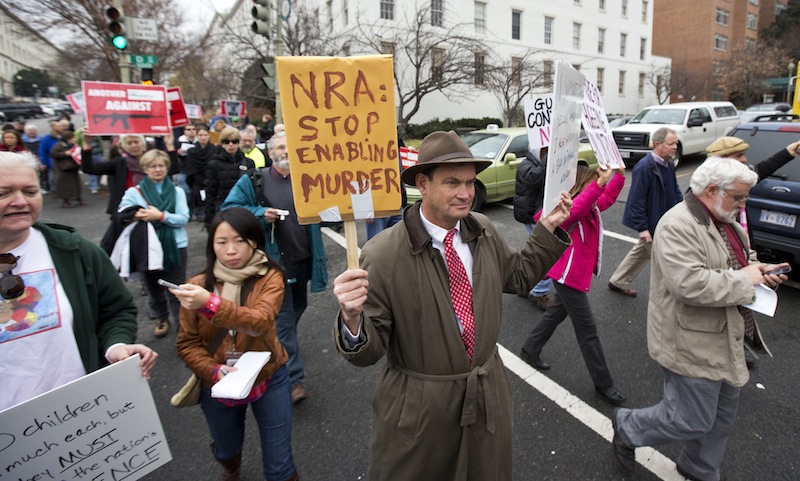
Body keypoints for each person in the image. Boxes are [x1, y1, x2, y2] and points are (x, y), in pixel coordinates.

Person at [332, 130, 572, 481]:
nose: (466, 193)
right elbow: (367, 353)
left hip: (486, 398)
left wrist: (546, 230)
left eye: (470, 182)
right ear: (423, 184)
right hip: (420, 413)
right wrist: (351, 320)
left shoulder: (483, 230)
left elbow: (519, 277)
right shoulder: (382, 254)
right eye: (452, 183)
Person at [611, 157, 789, 481]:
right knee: (690, 418)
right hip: (689, 341)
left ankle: (700, 467)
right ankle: (628, 426)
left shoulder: (726, 219)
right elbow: (690, 285)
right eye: (738, 197)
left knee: (721, 417)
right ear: (711, 190)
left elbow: (739, 260)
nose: (743, 204)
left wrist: (759, 271)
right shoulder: (677, 225)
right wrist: (747, 280)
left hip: (726, 336)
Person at [0, 151, 157, 412]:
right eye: (3, 193)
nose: (20, 202)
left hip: (79, 418)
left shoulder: (74, 250)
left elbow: (116, 310)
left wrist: (116, 346)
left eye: (30, 191)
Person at [174, 207, 298, 481]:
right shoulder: (196, 286)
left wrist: (209, 304)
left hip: (269, 374)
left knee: (280, 465)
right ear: (212, 245)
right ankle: (231, 466)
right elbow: (187, 344)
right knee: (226, 448)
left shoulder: (270, 276)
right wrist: (214, 371)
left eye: (239, 240)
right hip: (218, 383)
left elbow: (260, 321)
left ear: (254, 241)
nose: (231, 250)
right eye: (222, 242)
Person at [223, 130, 328, 404]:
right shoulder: (254, 180)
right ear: (270, 153)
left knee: (297, 309)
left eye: (289, 147)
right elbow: (230, 210)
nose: (285, 151)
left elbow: (328, 209)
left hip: (302, 260)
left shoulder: (308, 179)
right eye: (280, 147)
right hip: (273, 266)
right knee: (282, 320)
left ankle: (268, 337)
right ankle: (294, 380)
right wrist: (260, 214)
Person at [520, 165, 628, 405]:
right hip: (566, 276)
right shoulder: (564, 208)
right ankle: (604, 384)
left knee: (557, 313)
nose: (596, 188)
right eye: (592, 184)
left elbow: (607, 198)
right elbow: (575, 212)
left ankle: (530, 347)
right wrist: (599, 184)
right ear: (582, 185)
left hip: (571, 274)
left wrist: (618, 175)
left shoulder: (588, 203)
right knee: (588, 330)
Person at [117, 149, 190, 338]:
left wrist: (160, 216)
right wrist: (138, 214)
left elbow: (183, 218)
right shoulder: (134, 192)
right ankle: (161, 317)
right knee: (153, 287)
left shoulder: (177, 191)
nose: (157, 169)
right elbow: (123, 213)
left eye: (161, 165)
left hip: (175, 245)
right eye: (152, 166)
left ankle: (182, 328)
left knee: (177, 289)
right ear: (145, 169)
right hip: (147, 247)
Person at [608, 127, 681, 297]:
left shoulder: (669, 164)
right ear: (657, 144)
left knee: (641, 252)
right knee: (666, 258)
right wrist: (643, 229)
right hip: (653, 223)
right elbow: (636, 200)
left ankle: (618, 281)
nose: (675, 147)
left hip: (665, 221)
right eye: (671, 143)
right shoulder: (644, 167)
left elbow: (675, 190)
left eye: (676, 143)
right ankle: (671, 293)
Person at [82, 133, 178, 216]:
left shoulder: (152, 160)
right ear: (124, 146)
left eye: (136, 142)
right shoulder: (119, 163)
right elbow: (90, 169)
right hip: (126, 209)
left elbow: (173, 169)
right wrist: (87, 145)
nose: (133, 146)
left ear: (143, 143)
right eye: (129, 143)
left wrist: (170, 146)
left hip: (153, 206)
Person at [513, 147, 554, 310]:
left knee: (535, 252)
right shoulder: (526, 165)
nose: (548, 153)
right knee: (546, 254)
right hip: (531, 215)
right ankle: (538, 292)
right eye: (546, 150)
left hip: (542, 214)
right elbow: (535, 178)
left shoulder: (542, 163)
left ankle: (526, 285)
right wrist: (550, 158)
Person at [205, 127, 254, 229]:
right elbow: (210, 193)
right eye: (226, 142)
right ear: (222, 143)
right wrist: (209, 219)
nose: (231, 145)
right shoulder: (214, 164)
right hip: (223, 207)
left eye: (234, 141)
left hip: (243, 207)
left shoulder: (248, 162)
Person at [185, 126, 215, 221]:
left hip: (211, 178)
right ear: (197, 136)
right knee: (196, 191)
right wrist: (201, 180)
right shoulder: (192, 152)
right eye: (200, 135)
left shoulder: (214, 150)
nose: (203, 137)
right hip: (197, 179)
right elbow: (191, 168)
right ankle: (198, 212)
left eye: (205, 135)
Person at [50, 131, 82, 208]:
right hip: (63, 168)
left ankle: (77, 198)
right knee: (64, 185)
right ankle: (65, 201)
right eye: (73, 138)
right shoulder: (59, 146)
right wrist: (64, 153)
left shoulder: (73, 145)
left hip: (72, 166)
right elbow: (53, 154)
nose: (75, 139)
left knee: (75, 183)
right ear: (68, 139)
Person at [38, 119, 69, 193]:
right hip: (52, 162)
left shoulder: (63, 136)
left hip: (64, 160)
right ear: (53, 127)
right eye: (59, 126)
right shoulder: (46, 138)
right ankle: (55, 190)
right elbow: (42, 151)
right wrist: (43, 162)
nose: (61, 128)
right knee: (53, 178)